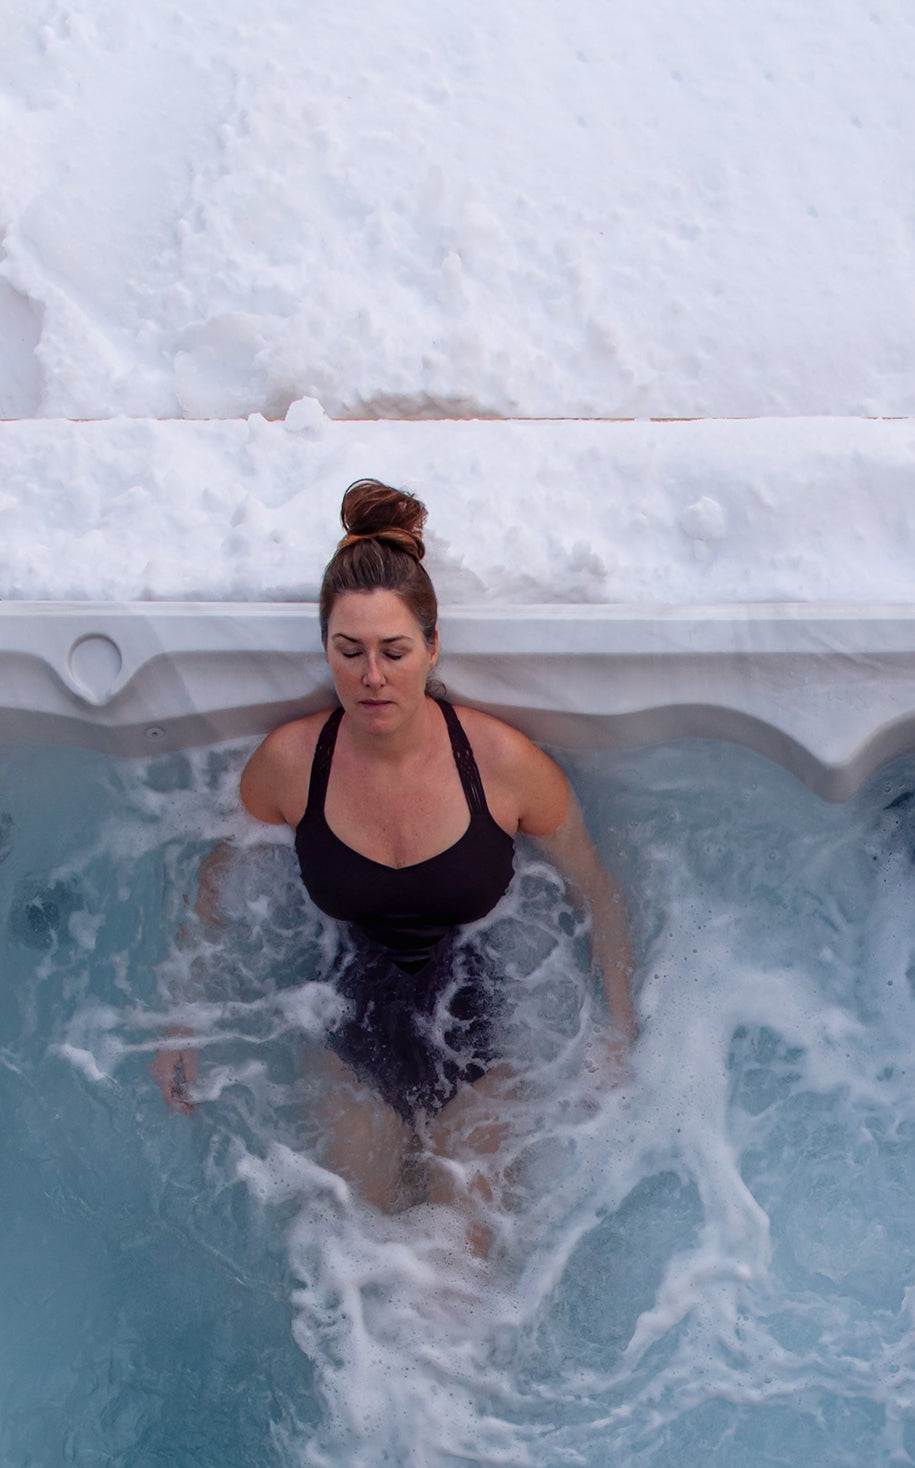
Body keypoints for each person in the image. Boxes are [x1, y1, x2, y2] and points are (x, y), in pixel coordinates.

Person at [149, 479, 635, 1217]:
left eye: (393, 651)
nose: (372, 677)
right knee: (370, 1274)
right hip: (346, 1033)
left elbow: (595, 891)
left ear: (432, 648)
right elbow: (213, 889)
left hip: (480, 1037)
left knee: (453, 1286)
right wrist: (180, 1021)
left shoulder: (502, 765)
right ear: (327, 651)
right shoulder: (291, 764)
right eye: (349, 652)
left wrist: (619, 1030)